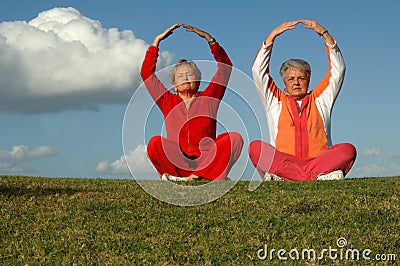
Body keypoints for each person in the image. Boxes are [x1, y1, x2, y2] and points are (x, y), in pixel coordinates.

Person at [249, 19, 356, 181]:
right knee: (255, 147)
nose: (296, 82)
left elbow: (338, 70)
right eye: (291, 79)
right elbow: (258, 71)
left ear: (309, 80)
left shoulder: (321, 98)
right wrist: (271, 37)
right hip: (286, 161)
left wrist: (324, 34)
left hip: (318, 161)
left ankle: (287, 178)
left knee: (348, 150)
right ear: (284, 83)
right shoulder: (274, 100)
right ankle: (316, 177)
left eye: (301, 78)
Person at [141, 24, 243, 181]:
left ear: (199, 81)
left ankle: (204, 175)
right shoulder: (167, 100)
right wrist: (157, 41)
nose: (186, 78)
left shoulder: (209, 97)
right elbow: (146, 73)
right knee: (155, 143)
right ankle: (182, 177)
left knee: (234, 138)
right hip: (179, 161)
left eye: (190, 75)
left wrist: (210, 40)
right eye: (180, 76)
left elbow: (225, 67)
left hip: (207, 160)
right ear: (174, 85)